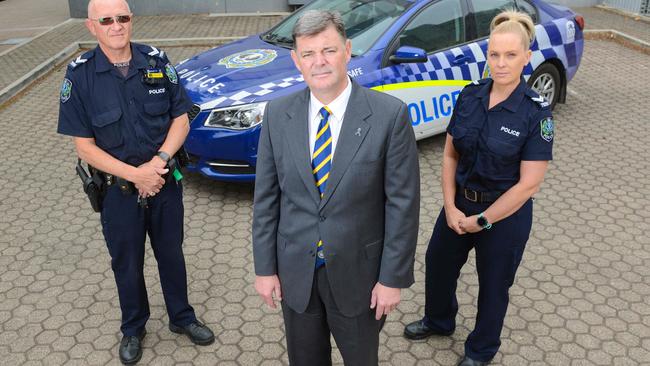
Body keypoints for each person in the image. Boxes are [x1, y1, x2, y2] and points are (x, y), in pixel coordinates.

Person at [252, 10, 420, 366]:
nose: (319, 62)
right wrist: (265, 269)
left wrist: (392, 279)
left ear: (347, 50)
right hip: (296, 273)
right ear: (296, 60)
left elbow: (402, 206)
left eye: (328, 50)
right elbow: (266, 200)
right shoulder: (277, 114)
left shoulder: (389, 116)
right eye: (309, 54)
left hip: (360, 278)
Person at [57, 0, 214, 364]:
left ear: (132, 21)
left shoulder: (156, 61)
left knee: (171, 254)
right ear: (91, 27)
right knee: (126, 262)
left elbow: (181, 119)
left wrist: (157, 165)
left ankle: (182, 317)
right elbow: (84, 146)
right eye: (106, 20)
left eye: (122, 18)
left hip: (163, 183)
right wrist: (135, 175)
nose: (116, 26)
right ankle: (133, 327)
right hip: (118, 191)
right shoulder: (79, 75)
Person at [402, 10, 554, 366]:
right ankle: (439, 321)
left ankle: (480, 350)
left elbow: (529, 183)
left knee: (494, 284)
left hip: (505, 216)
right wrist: (451, 207)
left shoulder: (535, 113)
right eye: (495, 54)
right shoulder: (469, 96)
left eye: (511, 55)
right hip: (459, 204)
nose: (501, 63)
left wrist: (483, 221)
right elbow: (450, 156)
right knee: (437, 262)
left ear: (526, 57)